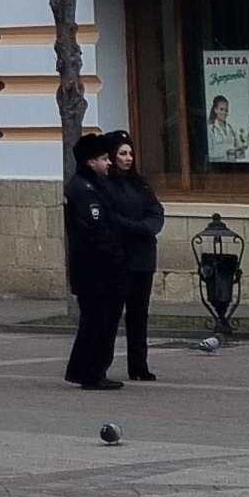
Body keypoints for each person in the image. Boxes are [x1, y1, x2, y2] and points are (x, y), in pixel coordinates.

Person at [63, 131, 126, 388]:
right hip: (95, 271)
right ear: (91, 162)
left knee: (100, 322)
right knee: (98, 323)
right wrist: (117, 256)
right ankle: (91, 373)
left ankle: (86, 370)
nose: (109, 162)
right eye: (103, 158)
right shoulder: (84, 189)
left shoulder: (95, 185)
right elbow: (96, 231)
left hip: (98, 270)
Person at [102, 130, 164, 383]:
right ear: (113, 156)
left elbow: (156, 211)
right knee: (112, 315)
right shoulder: (107, 185)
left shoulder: (140, 183)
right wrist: (138, 228)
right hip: (120, 259)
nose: (128, 158)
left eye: (130, 153)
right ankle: (100, 366)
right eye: (122, 153)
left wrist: (148, 227)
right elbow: (112, 218)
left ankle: (139, 366)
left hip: (143, 259)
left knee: (139, 315)